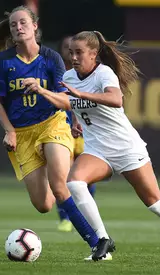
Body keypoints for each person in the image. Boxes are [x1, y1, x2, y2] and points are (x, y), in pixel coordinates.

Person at [62, 31, 160, 263]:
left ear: (94, 54)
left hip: (127, 149)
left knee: (156, 205)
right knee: (75, 182)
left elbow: (115, 99)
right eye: (71, 52)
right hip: (97, 150)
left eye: (79, 52)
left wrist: (81, 94)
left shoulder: (104, 73)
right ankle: (102, 239)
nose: (74, 57)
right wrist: (76, 119)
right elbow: (70, 102)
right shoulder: (68, 77)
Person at [0, 6, 99, 252]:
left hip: (52, 123)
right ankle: (52, 168)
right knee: (44, 205)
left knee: (60, 186)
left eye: (23, 22)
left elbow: (63, 95)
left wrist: (74, 117)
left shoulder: (51, 58)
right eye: (13, 25)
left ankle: (97, 242)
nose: (18, 27)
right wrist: (9, 130)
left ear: (35, 26)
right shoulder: (4, 61)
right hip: (22, 134)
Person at [56, 35, 97, 232]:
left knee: (86, 176)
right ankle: (65, 217)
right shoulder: (58, 71)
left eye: (73, 49)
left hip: (81, 130)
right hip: (60, 129)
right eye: (66, 48)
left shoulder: (85, 73)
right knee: (63, 175)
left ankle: (86, 213)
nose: (70, 52)